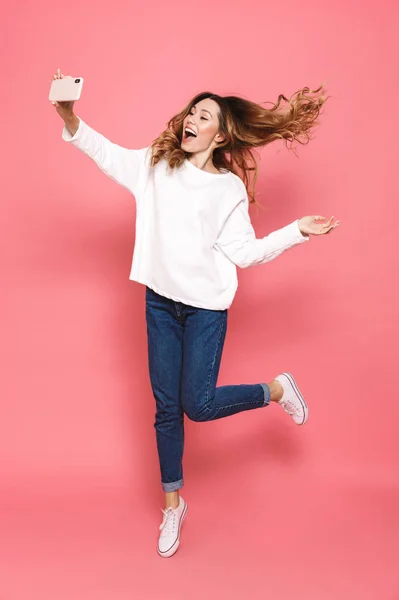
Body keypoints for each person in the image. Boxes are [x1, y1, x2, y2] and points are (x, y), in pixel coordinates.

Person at [51, 69, 339, 558]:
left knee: (198, 405)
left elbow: (245, 253)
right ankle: (173, 505)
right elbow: (105, 154)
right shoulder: (155, 165)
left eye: (203, 116)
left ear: (220, 134)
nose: (191, 119)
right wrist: (68, 114)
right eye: (191, 112)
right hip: (160, 304)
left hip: (206, 309)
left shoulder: (226, 190)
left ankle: (275, 389)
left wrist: (297, 230)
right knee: (166, 410)